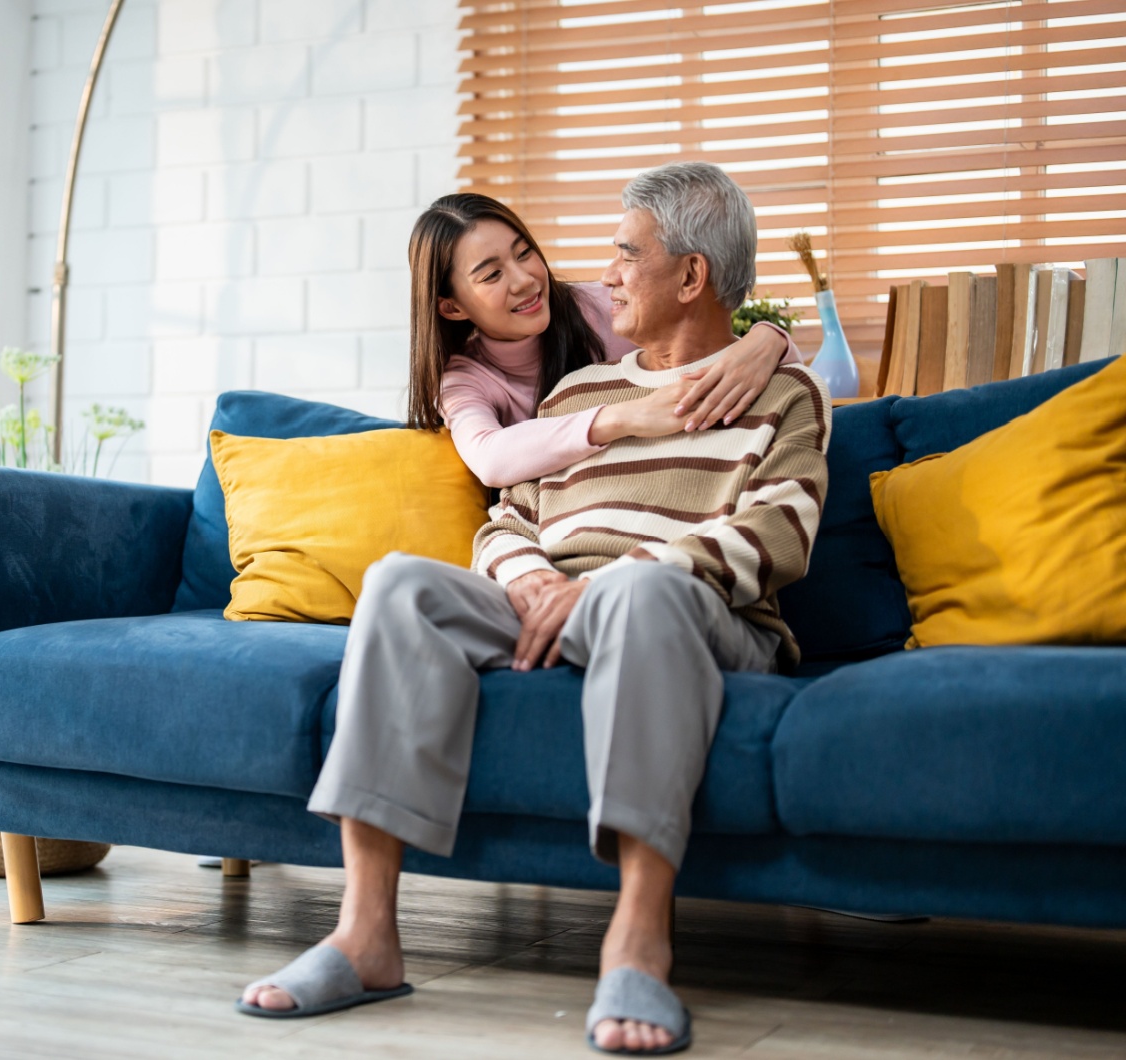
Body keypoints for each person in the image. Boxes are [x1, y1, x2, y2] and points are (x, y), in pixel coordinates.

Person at [236, 162, 832, 1056]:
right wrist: (534, 581)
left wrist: (622, 573)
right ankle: (366, 936)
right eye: (492, 271)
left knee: (640, 590)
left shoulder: (785, 392)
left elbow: (780, 533)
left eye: (626, 254)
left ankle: (638, 940)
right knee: (401, 583)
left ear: (691, 276)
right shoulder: (575, 393)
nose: (603, 274)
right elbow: (506, 518)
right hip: (562, 601)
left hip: (687, 606)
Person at [407, 192, 802, 490]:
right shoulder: (464, 379)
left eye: (524, 253)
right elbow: (491, 459)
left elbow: (712, 342)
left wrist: (769, 340)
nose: (525, 279)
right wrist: (628, 416)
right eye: (492, 275)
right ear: (452, 308)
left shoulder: (604, 307)